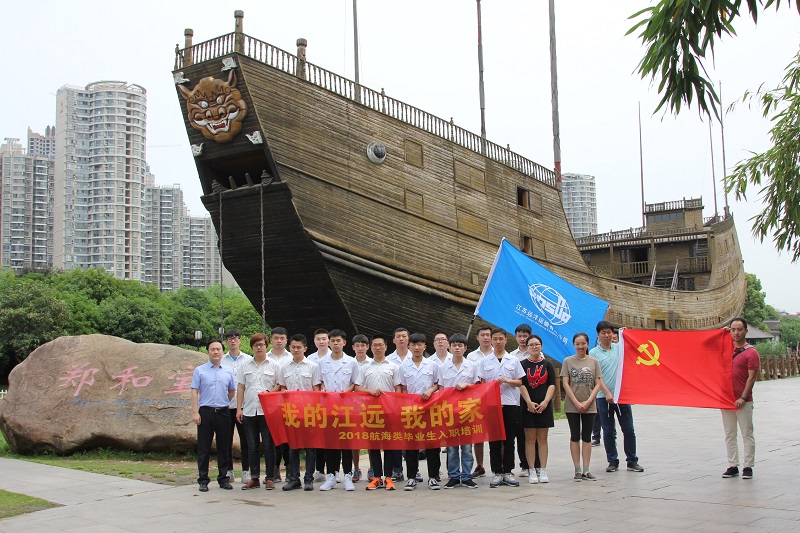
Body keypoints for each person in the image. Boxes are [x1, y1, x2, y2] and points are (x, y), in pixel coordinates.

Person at [590, 321, 644, 474]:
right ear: (598, 335)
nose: (606, 335)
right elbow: (597, 377)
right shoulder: (594, 353)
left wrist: (627, 333)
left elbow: (635, 348)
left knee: (629, 429)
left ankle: (632, 460)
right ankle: (612, 461)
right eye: (603, 333)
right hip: (603, 397)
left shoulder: (620, 348)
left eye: (609, 332)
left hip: (622, 396)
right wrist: (607, 393)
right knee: (608, 431)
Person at [561, 332, 613, 482]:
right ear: (573, 345)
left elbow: (598, 383)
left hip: (590, 405)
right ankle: (577, 469)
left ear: (588, 344)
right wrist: (576, 402)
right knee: (574, 435)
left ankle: (586, 469)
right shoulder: (568, 361)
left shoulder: (594, 361)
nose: (580, 346)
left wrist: (589, 401)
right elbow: (565, 383)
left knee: (587, 437)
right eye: (577, 344)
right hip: (572, 405)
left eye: (583, 343)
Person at [478, 328, 525, 488]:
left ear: (506, 340)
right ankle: (497, 472)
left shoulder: (513, 360)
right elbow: (482, 384)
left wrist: (507, 381)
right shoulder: (485, 361)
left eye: (500, 339)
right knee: (494, 440)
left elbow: (520, 382)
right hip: (491, 405)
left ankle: (508, 471)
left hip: (510, 403)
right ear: (491, 340)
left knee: (509, 439)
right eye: (495, 339)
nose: (498, 342)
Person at [354, 333, 402, 491]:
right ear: (371, 347)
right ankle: (376, 477)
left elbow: (398, 388)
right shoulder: (365, 367)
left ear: (386, 347)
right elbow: (357, 387)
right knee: (373, 444)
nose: (378, 348)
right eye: (375, 345)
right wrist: (370, 391)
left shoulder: (393, 367)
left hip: (388, 411)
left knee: (388, 444)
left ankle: (388, 477)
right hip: (371, 412)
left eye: (380, 345)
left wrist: (395, 405)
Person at [236, 333, 282, 490]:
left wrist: (269, 393)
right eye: (256, 345)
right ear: (252, 347)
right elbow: (241, 387)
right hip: (249, 411)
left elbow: (280, 385)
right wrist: (239, 409)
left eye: (261, 344)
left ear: (266, 346)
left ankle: (269, 477)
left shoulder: (274, 365)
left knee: (269, 445)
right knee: (252, 446)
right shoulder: (245, 365)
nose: (259, 347)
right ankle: (254, 477)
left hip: (268, 412)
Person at [191, 339, 236, 492]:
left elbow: (232, 391)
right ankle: (203, 480)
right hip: (206, 412)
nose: (216, 352)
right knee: (204, 447)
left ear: (222, 352)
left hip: (223, 412)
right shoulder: (200, 370)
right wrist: (195, 412)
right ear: (208, 351)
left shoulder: (228, 371)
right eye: (213, 349)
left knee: (224, 447)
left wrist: (223, 402)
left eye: (218, 349)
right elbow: (194, 391)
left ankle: (223, 478)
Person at [317, 328, 360, 491]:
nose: (336, 344)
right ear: (329, 343)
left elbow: (356, 383)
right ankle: (331, 476)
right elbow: (319, 382)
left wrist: (347, 391)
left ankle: (348, 475)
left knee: (346, 442)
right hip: (328, 408)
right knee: (330, 443)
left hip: (346, 408)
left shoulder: (351, 362)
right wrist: (323, 389)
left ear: (344, 343)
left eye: (338, 341)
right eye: (333, 341)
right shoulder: (322, 362)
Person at [278, 334, 321, 491]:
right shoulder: (284, 367)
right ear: (289, 347)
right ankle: (294, 479)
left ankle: (308, 478)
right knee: (293, 447)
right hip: (291, 412)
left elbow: (316, 390)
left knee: (310, 447)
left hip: (308, 412)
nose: (296, 350)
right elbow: (282, 387)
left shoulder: (313, 367)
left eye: (299, 347)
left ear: (305, 348)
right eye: (293, 347)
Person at [436, 333, 479, 489]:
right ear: (450, 347)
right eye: (454, 345)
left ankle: (466, 476)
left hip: (468, 411)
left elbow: (478, 387)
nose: (457, 348)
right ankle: (453, 476)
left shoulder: (472, 366)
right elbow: (441, 389)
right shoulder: (443, 367)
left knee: (467, 447)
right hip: (450, 411)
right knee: (452, 447)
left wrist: (467, 386)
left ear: (465, 348)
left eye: (460, 345)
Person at [399, 333, 442, 490]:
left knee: (432, 443)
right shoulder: (403, 367)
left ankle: (433, 477)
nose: (417, 347)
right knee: (411, 444)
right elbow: (403, 388)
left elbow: (439, 384)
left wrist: (430, 390)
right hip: (411, 410)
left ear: (425, 346)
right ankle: (411, 477)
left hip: (430, 409)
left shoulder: (432, 365)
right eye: (414, 345)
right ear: (409, 347)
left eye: (420, 345)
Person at [722, 318, 761, 479]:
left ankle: (748, 467)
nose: (736, 333)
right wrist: (720, 334)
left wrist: (743, 397)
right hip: (726, 399)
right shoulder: (726, 349)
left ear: (746, 331)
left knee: (747, 433)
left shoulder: (751, 352)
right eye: (733, 330)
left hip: (743, 401)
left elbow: (752, 377)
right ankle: (733, 465)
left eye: (739, 329)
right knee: (729, 434)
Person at [518, 335, 555, 484]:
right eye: (531, 345)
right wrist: (528, 402)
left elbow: (552, 384)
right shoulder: (522, 364)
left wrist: (545, 402)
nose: (534, 347)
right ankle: (532, 469)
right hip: (528, 406)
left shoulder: (548, 364)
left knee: (543, 438)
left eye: (537, 344)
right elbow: (521, 384)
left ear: (541, 346)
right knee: (530, 439)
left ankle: (543, 469)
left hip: (544, 405)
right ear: (527, 348)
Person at [220, 328, 253, 484]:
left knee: (246, 440)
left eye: (236, 338)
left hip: (244, 406)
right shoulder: (222, 360)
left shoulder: (248, 359)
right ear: (226, 341)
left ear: (240, 340)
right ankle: (229, 470)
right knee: (226, 440)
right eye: (230, 338)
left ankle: (246, 471)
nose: (233, 341)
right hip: (226, 406)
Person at [466, 325, 493, 478]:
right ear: (477, 337)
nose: (486, 337)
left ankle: (500, 465)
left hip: (494, 399)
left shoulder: (499, 354)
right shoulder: (471, 357)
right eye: (482, 335)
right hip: (476, 400)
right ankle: (480, 465)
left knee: (496, 433)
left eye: (488, 335)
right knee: (478, 434)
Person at [266, 327, 291, 481]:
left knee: (288, 438)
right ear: (271, 340)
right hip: (271, 405)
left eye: (282, 338)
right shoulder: (265, 357)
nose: (279, 341)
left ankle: (289, 469)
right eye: (276, 338)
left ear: (286, 340)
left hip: (289, 405)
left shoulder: (291, 357)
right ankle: (274, 470)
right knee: (273, 438)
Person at [386, 327, 411, 481]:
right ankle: (397, 469)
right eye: (398, 336)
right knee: (395, 437)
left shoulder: (416, 358)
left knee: (411, 438)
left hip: (412, 404)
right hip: (393, 405)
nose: (401, 339)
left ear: (408, 339)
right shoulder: (389, 360)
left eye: (404, 336)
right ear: (393, 340)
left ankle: (414, 470)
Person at [510, 323, 533, 477]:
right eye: (520, 336)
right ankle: (524, 464)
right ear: (516, 337)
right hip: (516, 400)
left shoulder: (537, 354)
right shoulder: (512, 356)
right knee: (519, 433)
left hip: (533, 399)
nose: (522, 339)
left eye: (525, 336)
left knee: (532, 433)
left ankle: (534, 463)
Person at [306, 328, 329, 482]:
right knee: (318, 438)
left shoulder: (334, 357)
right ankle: (319, 470)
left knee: (331, 438)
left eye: (324, 339)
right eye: (318, 339)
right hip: (314, 404)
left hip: (332, 403)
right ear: (314, 341)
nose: (321, 342)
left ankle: (333, 470)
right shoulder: (310, 359)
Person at [350, 333, 373, 482]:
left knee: (371, 438)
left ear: (367, 347)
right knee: (354, 439)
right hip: (352, 406)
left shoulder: (372, 363)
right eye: (357, 346)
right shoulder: (348, 363)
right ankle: (356, 468)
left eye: (362, 345)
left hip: (369, 406)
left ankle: (372, 468)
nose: (360, 348)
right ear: (353, 347)